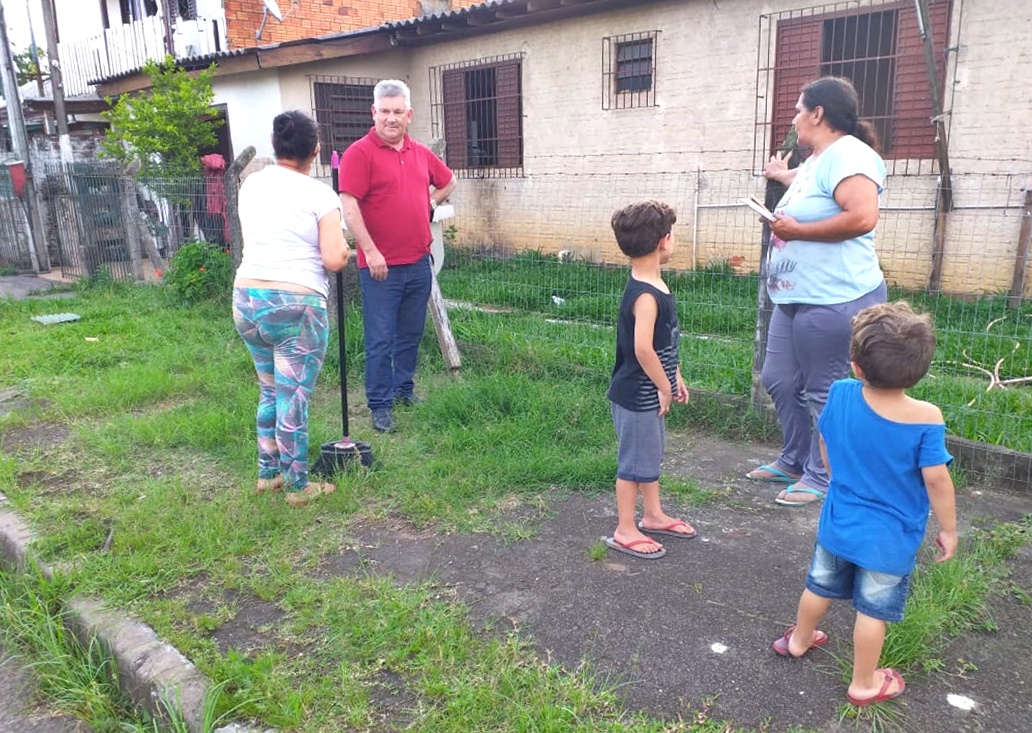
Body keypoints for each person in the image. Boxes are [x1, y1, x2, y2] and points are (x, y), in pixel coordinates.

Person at [771, 301, 957, 707]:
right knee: (872, 610)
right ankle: (864, 682)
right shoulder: (927, 417)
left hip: (838, 521)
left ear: (856, 365)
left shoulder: (841, 392)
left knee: (818, 585)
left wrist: (837, 477)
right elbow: (936, 478)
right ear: (921, 369)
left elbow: (825, 439)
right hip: (889, 539)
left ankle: (800, 640)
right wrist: (948, 528)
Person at [749, 76, 888, 507]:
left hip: (835, 297)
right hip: (793, 297)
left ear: (818, 114)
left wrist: (798, 231)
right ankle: (794, 459)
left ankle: (822, 474)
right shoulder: (818, 159)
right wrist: (779, 174)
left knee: (823, 390)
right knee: (779, 379)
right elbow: (807, 182)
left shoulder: (851, 154)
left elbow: (863, 217)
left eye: (797, 109)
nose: (793, 117)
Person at [233, 110, 351, 506]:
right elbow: (334, 259)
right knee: (293, 396)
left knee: (269, 390)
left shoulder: (251, 183)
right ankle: (298, 486)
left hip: (247, 299)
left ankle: (268, 475)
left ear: (274, 146)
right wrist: (346, 248)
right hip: (295, 305)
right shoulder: (320, 195)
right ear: (316, 151)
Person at [339, 79, 456, 434]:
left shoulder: (420, 152)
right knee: (380, 338)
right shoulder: (359, 153)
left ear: (409, 114)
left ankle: (404, 390)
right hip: (380, 267)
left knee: (410, 333)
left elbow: (449, 179)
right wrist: (370, 251)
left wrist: (431, 201)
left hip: (419, 261)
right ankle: (379, 404)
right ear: (373, 112)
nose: (391, 119)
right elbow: (348, 205)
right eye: (385, 111)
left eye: (398, 112)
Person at [604, 201, 696, 560]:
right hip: (636, 396)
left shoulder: (654, 282)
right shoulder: (645, 295)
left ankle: (654, 515)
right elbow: (643, 349)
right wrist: (662, 386)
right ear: (664, 240)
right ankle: (625, 528)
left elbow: (662, 343)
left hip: (650, 392)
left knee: (650, 456)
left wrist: (674, 374)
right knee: (634, 463)